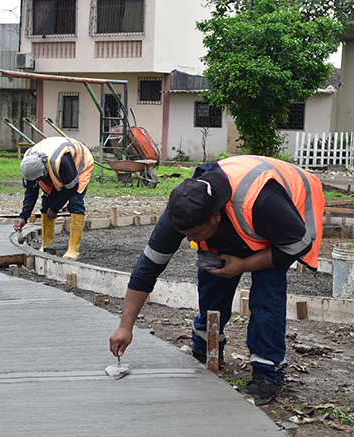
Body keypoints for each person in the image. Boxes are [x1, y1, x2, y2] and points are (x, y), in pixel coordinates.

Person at [108, 156, 324, 406]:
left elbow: (297, 245)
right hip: (245, 216)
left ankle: (268, 372)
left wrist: (243, 265)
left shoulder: (262, 203)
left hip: (287, 213)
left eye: (194, 233)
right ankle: (206, 347)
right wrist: (125, 327)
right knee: (212, 270)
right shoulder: (182, 213)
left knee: (267, 289)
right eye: (185, 234)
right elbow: (147, 269)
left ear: (216, 217)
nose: (190, 239)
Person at [12, 136, 94, 260]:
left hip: (79, 164)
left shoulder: (61, 162)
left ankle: (73, 250)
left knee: (75, 202)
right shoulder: (29, 163)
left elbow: (71, 187)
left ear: (42, 174)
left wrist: (55, 208)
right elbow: (31, 192)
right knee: (47, 203)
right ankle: (46, 245)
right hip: (54, 168)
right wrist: (23, 217)